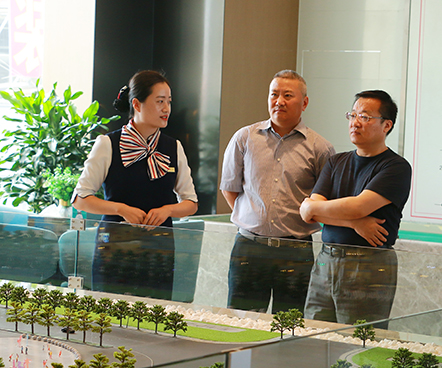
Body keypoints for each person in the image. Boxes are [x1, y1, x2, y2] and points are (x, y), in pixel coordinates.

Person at [73, 70, 198, 299]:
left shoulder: (174, 147)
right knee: (111, 315)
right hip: (114, 248)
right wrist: (121, 209)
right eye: (160, 101)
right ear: (137, 104)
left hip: (159, 250)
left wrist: (167, 210)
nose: (166, 109)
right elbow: (80, 199)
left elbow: (191, 203)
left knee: (156, 315)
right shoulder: (107, 144)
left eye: (169, 102)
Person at [220, 70, 335, 313]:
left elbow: (325, 201)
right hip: (249, 247)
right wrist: (255, 219)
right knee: (241, 320)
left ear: (304, 103)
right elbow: (230, 189)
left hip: (296, 251)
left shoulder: (320, 148)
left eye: (288, 95)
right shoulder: (244, 138)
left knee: (290, 323)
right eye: (274, 94)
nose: (279, 101)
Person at [300, 90, 412, 326]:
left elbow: (358, 206)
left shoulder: (396, 167)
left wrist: (320, 209)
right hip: (326, 258)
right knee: (313, 332)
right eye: (352, 115)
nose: (355, 122)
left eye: (365, 117)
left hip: (367, 264)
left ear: (387, 125)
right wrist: (354, 223)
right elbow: (308, 213)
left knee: (357, 338)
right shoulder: (336, 161)